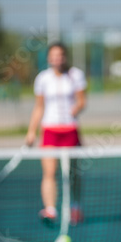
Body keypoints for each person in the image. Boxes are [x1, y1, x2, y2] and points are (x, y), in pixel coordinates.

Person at [26, 43, 87, 225]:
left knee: (73, 173)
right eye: (53, 55)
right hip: (50, 130)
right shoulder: (42, 79)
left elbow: (82, 101)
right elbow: (39, 107)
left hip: (70, 130)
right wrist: (31, 131)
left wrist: (76, 109)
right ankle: (51, 209)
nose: (57, 59)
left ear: (65, 56)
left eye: (60, 55)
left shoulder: (76, 75)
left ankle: (75, 208)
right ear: (48, 58)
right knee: (49, 172)